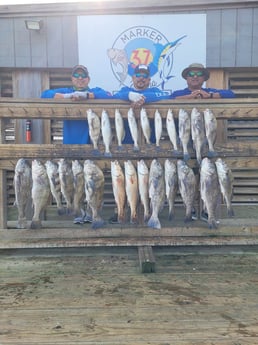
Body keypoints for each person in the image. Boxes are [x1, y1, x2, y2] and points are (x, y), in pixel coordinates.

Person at [41, 64, 113, 144]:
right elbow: (45, 94)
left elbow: (108, 95)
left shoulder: (94, 91)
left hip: (91, 146)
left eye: (83, 75)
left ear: (88, 79)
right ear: (72, 79)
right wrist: (67, 96)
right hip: (69, 146)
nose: (80, 78)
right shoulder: (67, 91)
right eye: (76, 75)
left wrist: (87, 95)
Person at [113, 64, 171, 143]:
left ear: (149, 80)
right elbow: (115, 96)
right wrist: (129, 95)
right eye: (138, 75)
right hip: (127, 143)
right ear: (133, 78)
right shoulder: (125, 90)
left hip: (151, 143)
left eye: (144, 75)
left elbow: (167, 96)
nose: (141, 78)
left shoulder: (154, 90)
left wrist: (143, 98)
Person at [171, 63, 235, 99]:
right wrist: (190, 97)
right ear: (186, 77)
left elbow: (231, 94)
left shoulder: (209, 91)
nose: (195, 76)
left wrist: (209, 95)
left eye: (199, 74)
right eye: (191, 74)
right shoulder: (177, 93)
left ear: (204, 78)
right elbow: (164, 99)